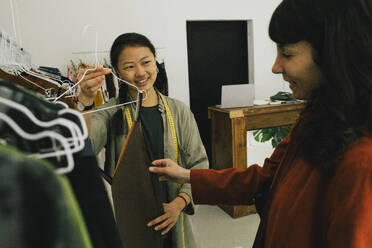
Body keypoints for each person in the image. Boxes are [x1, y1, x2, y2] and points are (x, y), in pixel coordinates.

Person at [149, 0, 372, 247]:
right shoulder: (316, 121)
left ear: (334, 53)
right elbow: (265, 179)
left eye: (287, 54)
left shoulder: (361, 159)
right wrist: (186, 175)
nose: (276, 67)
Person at [77, 33, 208, 248]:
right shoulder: (111, 112)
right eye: (129, 66)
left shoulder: (179, 111)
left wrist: (178, 204)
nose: (140, 73)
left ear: (155, 60)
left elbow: (199, 164)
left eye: (146, 62)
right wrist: (86, 102)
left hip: (174, 215)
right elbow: (85, 147)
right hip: (130, 218)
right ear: (117, 71)